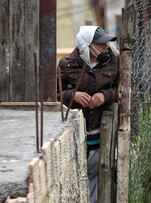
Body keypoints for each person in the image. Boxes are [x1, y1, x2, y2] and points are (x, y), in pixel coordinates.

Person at [58, 25, 119, 203]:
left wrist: (105, 96)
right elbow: (51, 96)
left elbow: (123, 90)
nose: (106, 47)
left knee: (98, 178)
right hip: (75, 139)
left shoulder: (114, 62)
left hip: (101, 137)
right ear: (86, 46)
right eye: (100, 44)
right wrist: (72, 95)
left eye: (106, 43)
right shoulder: (66, 64)